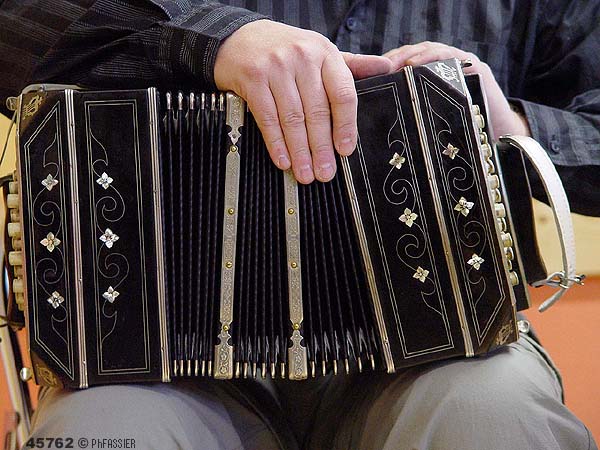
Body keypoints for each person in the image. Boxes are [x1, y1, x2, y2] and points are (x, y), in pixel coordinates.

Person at [1, 1, 599, 449]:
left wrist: (508, 124)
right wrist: (209, 37)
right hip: (151, 345)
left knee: (496, 416)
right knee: (97, 436)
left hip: (436, 344)